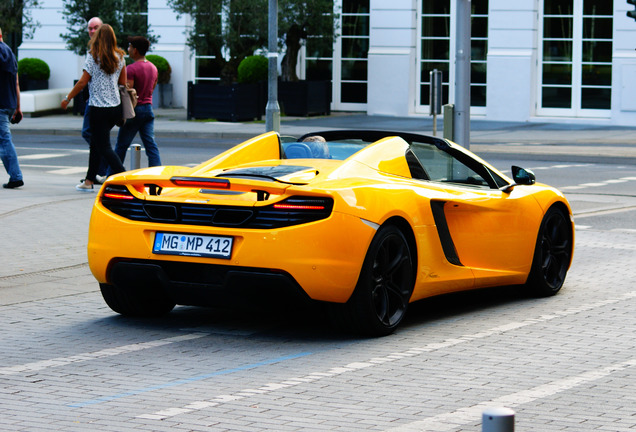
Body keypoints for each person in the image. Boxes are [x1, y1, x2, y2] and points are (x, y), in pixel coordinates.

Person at [61, 23, 126, 192]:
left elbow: (82, 81)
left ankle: (125, 178)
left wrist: (68, 98)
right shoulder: (120, 57)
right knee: (96, 144)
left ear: (97, 38)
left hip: (99, 108)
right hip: (115, 107)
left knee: (103, 146)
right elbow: (123, 83)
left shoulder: (93, 56)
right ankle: (89, 181)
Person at [112, 36, 161, 170]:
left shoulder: (132, 69)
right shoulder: (153, 68)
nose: (128, 49)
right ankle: (156, 173)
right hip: (148, 108)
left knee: (121, 145)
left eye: (130, 47)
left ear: (136, 50)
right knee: (151, 144)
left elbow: (129, 91)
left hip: (134, 110)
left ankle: (112, 175)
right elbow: (152, 87)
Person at [82, 17, 108, 181]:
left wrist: (68, 97)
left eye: (95, 28)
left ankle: (102, 172)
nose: (92, 31)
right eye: (90, 28)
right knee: (95, 137)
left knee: (94, 136)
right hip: (92, 100)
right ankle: (96, 174)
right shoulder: (92, 50)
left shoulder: (102, 51)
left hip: (100, 103)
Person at [0, 26, 24, 189]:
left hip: (0, 104)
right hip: (9, 104)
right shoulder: (10, 52)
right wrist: (18, 107)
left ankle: (16, 176)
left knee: (4, 140)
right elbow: (16, 82)